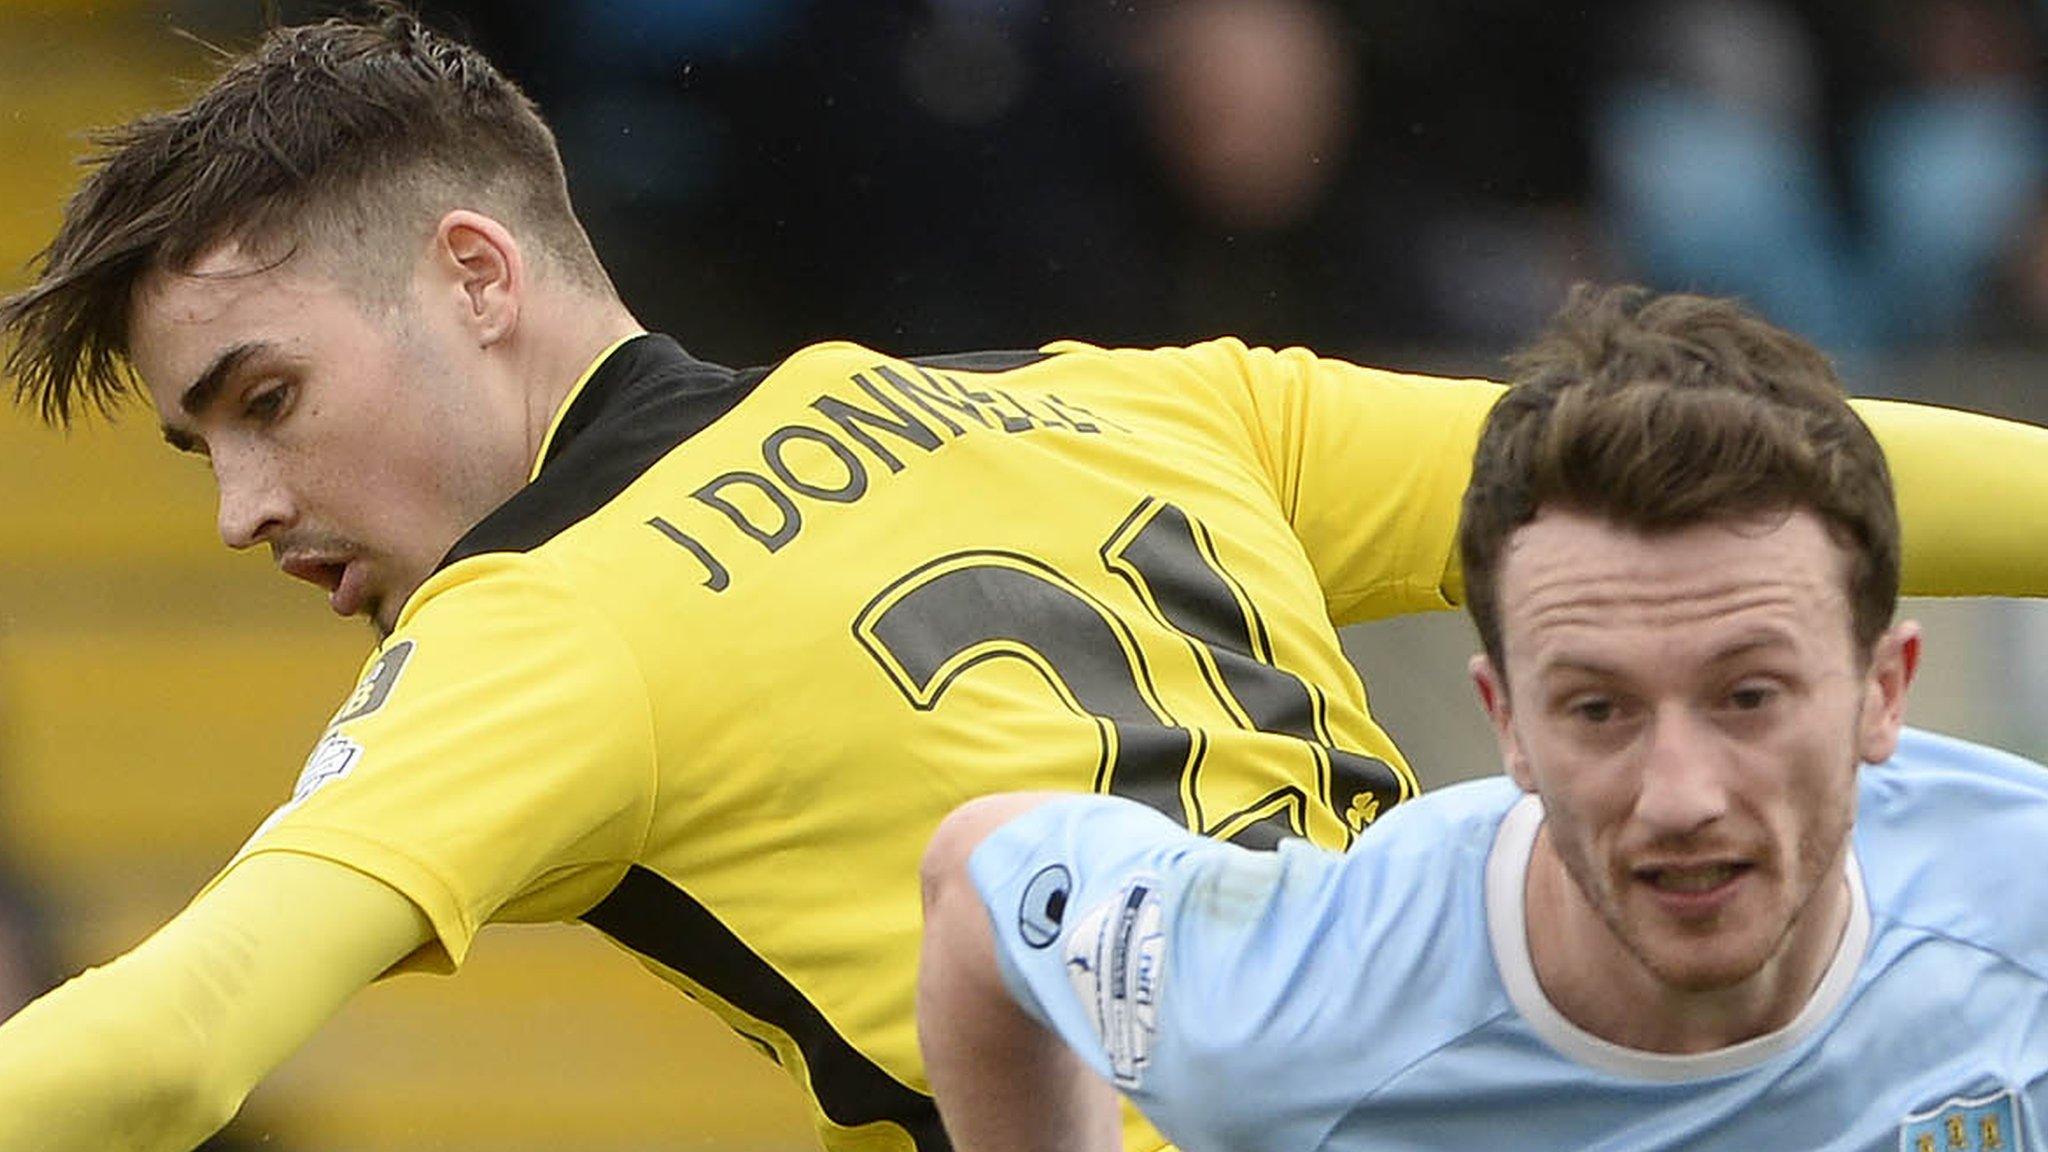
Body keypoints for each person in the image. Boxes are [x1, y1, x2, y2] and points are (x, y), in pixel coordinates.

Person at [0, 11, 2042, 1151]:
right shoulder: (1120, 402)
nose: (243, 509)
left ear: (473, 272)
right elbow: (1767, 479)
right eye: (207, 444)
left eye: (265, 398)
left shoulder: (538, 633)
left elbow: (166, 1052)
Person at [918, 285, 2048, 1152]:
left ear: (1880, 691)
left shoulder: (2018, 898)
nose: (1682, 795)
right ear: (1504, 720)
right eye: (1596, 709)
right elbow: (980, 885)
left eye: (1747, 697)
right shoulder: (1287, 1008)